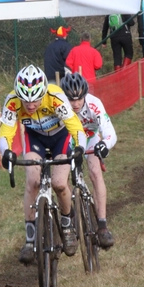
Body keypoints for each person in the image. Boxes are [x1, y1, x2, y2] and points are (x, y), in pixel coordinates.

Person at [0, 64, 87, 265]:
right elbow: (5, 133)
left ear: (43, 93)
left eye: (36, 99)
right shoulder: (12, 101)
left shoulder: (55, 97)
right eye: (26, 101)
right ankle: (30, 239)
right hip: (35, 139)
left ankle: (66, 224)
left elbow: (76, 127)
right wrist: (7, 153)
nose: (30, 105)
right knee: (32, 182)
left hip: (60, 138)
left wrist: (80, 148)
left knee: (59, 183)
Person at [61, 72, 116, 249]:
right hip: (69, 138)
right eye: (71, 99)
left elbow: (110, 133)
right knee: (63, 177)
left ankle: (102, 225)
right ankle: (69, 216)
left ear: (85, 95)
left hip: (91, 136)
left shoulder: (94, 104)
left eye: (79, 99)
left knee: (94, 172)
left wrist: (104, 145)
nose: (76, 104)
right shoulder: (59, 106)